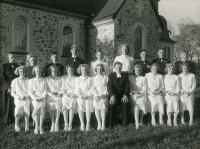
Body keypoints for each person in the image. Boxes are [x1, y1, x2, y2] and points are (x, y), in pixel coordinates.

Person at [107, 62, 130, 128]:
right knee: (112, 104)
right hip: (114, 95)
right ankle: (111, 122)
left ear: (122, 68)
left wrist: (125, 95)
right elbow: (109, 87)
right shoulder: (111, 76)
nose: (118, 69)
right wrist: (112, 96)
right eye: (117, 67)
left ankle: (124, 121)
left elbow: (127, 86)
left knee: (125, 102)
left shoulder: (125, 75)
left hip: (122, 95)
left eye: (120, 67)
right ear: (114, 68)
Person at [28, 65, 47, 134]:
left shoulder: (44, 80)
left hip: (42, 97)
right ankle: (36, 126)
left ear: (41, 72)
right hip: (34, 97)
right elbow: (30, 91)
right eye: (37, 71)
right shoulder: (31, 81)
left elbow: (45, 90)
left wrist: (42, 97)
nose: (38, 72)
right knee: (36, 107)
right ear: (34, 72)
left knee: (42, 110)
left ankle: (41, 126)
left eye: (39, 71)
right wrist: (35, 98)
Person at [11, 66, 30, 132]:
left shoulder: (28, 80)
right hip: (18, 97)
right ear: (18, 72)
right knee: (18, 109)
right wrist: (17, 97)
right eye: (21, 71)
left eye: (24, 71)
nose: (22, 73)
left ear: (25, 72)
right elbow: (12, 92)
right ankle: (16, 125)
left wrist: (26, 96)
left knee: (26, 109)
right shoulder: (15, 81)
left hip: (26, 97)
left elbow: (30, 92)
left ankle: (27, 125)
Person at [75, 64, 94, 131]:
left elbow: (92, 88)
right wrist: (81, 95)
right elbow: (77, 88)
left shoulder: (90, 79)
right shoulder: (77, 79)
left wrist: (88, 95)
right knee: (80, 106)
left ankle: (88, 124)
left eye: (85, 70)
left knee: (88, 106)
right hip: (80, 95)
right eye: (83, 69)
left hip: (88, 95)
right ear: (80, 70)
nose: (84, 71)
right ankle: (82, 124)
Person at [2, 53, 19, 125]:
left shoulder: (17, 66)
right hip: (6, 87)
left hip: (15, 88)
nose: (13, 58)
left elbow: (18, 77)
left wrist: (13, 87)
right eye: (12, 57)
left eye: (14, 57)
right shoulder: (4, 66)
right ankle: (5, 120)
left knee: (13, 103)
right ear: (8, 58)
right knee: (6, 102)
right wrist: (8, 87)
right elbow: (3, 77)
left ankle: (12, 119)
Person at [129, 64, 147, 129]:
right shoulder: (131, 78)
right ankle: (136, 122)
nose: (138, 71)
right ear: (134, 70)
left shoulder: (143, 78)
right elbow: (130, 89)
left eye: (139, 70)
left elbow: (144, 89)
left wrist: (140, 93)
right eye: (136, 70)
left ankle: (141, 121)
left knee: (142, 102)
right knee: (136, 106)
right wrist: (134, 93)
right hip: (133, 95)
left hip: (141, 94)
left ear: (141, 71)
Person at [91, 64, 108, 130]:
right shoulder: (94, 78)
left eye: (101, 69)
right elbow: (92, 88)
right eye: (98, 69)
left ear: (103, 69)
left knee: (103, 103)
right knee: (96, 106)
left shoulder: (106, 77)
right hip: (96, 95)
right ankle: (99, 123)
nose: (99, 70)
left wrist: (103, 95)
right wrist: (96, 95)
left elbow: (107, 87)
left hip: (104, 95)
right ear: (96, 70)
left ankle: (103, 123)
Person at [60, 66, 77, 131]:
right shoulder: (63, 78)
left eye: (72, 70)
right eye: (69, 70)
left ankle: (70, 124)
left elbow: (77, 88)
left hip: (73, 94)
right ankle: (66, 123)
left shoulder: (76, 78)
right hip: (66, 94)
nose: (71, 72)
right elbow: (62, 88)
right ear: (67, 71)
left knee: (72, 104)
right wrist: (65, 93)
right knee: (65, 104)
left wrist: (73, 94)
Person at [46, 66, 62, 132]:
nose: (54, 72)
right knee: (51, 105)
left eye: (55, 71)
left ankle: (57, 123)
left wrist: (58, 93)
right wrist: (51, 94)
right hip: (50, 95)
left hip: (58, 95)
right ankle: (52, 123)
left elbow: (62, 88)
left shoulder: (60, 79)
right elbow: (46, 89)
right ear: (50, 72)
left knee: (58, 103)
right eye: (52, 71)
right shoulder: (47, 79)